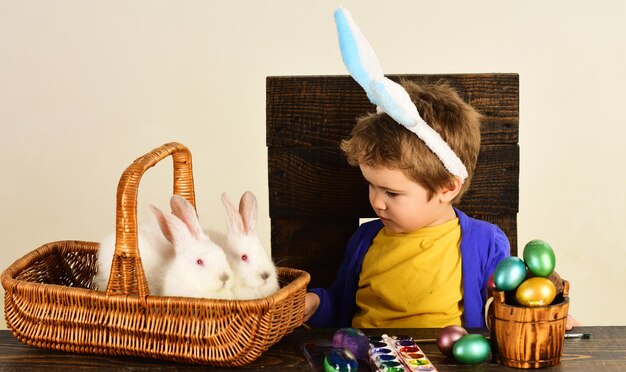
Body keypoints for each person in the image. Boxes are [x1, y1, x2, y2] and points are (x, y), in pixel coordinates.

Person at [303, 80, 510, 328]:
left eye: (392, 193)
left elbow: (505, 307)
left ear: (447, 187)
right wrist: (315, 303)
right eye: (371, 185)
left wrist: (543, 316)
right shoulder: (365, 240)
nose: (377, 203)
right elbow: (342, 302)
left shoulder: (485, 243)